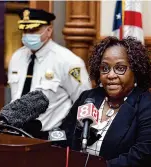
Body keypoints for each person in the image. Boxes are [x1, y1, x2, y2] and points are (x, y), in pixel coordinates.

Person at [60, 36, 151, 167]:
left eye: (120, 68)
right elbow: (65, 135)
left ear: (135, 71)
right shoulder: (88, 97)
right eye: (105, 68)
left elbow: (143, 157)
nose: (110, 75)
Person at [7, 8, 91, 139]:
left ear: (49, 30)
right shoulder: (16, 57)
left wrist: (72, 137)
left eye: (33, 30)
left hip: (49, 138)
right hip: (16, 135)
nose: (27, 35)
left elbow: (84, 102)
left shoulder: (68, 61)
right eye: (25, 30)